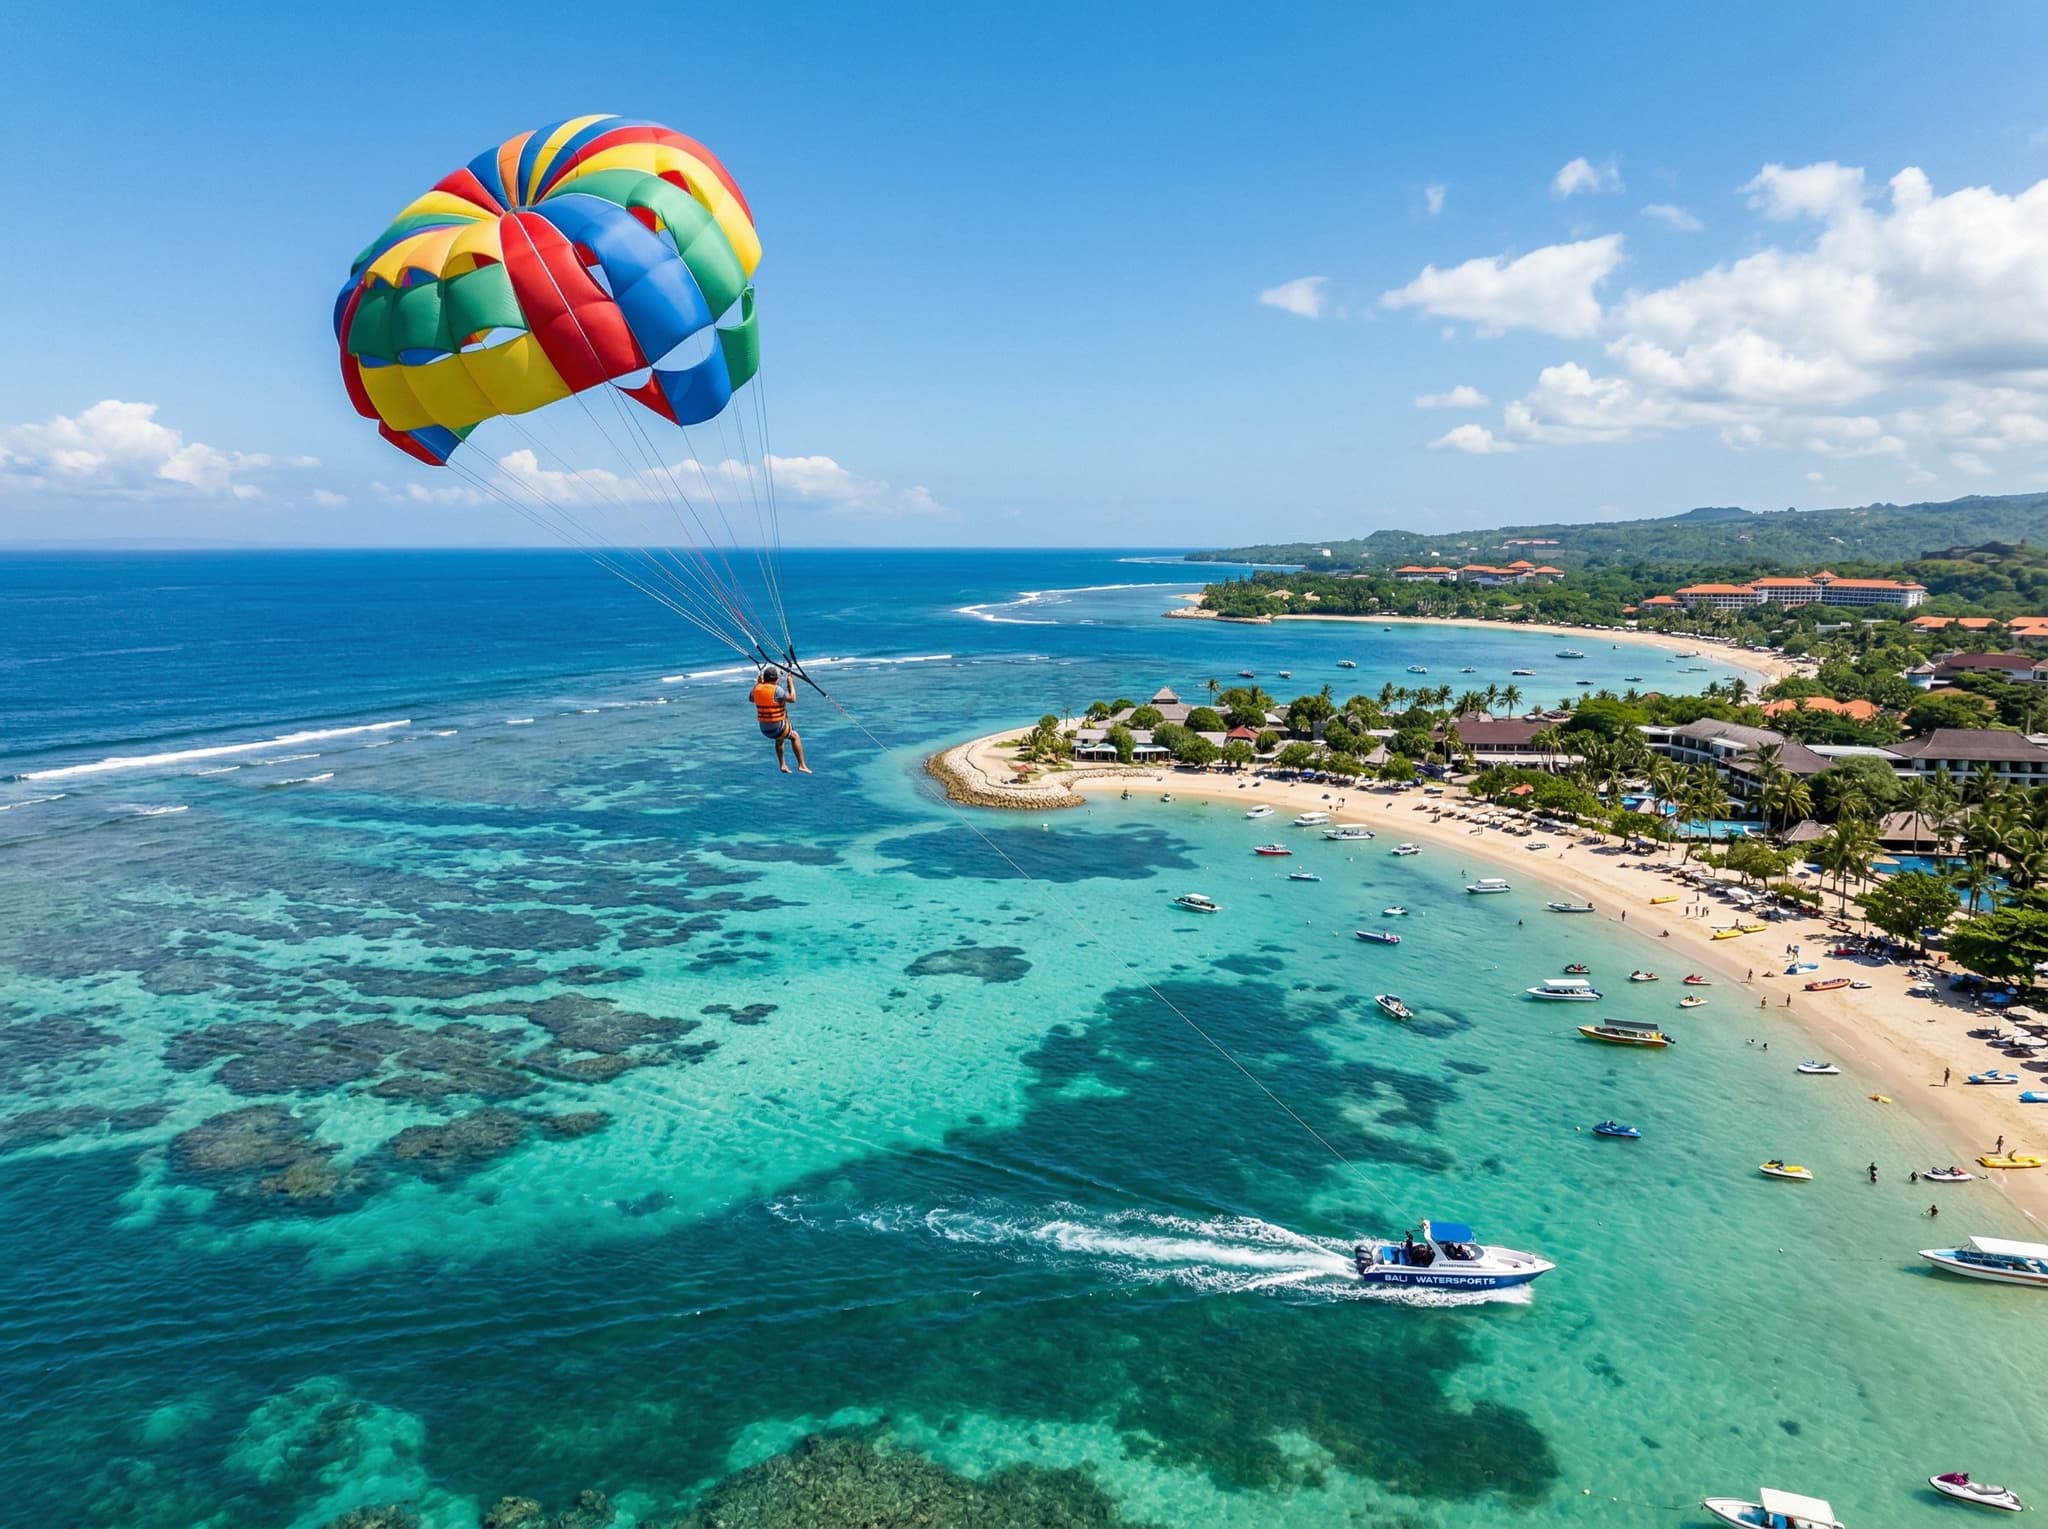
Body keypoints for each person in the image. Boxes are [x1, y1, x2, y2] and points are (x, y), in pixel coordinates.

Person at [750, 666, 810, 774]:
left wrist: (758, 683)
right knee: (795, 736)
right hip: (778, 728)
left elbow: (751, 698)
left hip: (765, 730)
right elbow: (792, 698)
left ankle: (782, 764)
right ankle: (802, 765)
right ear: (776, 679)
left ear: (764, 678)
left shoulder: (757, 689)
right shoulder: (777, 690)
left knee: (779, 739)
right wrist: (791, 682)